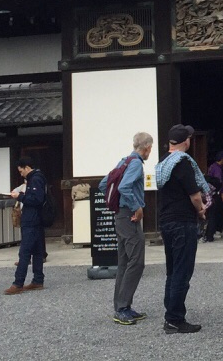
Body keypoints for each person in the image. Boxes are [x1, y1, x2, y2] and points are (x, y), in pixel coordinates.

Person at [157, 124, 207, 334]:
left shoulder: (163, 163)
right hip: (182, 220)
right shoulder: (183, 162)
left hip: (167, 221)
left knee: (172, 268)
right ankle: (175, 318)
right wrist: (202, 210)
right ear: (186, 141)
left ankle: (171, 309)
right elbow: (194, 195)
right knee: (182, 270)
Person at [99, 132, 152, 325]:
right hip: (129, 216)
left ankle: (123, 306)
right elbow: (125, 188)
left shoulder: (124, 161)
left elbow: (103, 184)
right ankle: (122, 307)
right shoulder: (136, 163)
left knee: (124, 261)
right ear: (146, 147)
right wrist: (136, 206)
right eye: (150, 148)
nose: (150, 152)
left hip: (119, 215)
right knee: (137, 261)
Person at [5, 156, 47, 294]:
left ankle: (18, 283)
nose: (21, 173)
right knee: (37, 251)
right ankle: (38, 280)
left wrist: (20, 196)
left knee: (24, 252)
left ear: (27, 167)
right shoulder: (37, 178)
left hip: (31, 220)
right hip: (37, 219)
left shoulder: (35, 179)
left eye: (21, 171)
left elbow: (36, 199)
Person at [205, 151, 223, 243]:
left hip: (210, 193)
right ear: (222, 159)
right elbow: (218, 182)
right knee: (216, 213)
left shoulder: (212, 166)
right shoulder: (217, 169)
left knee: (214, 213)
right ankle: (213, 233)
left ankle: (213, 232)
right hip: (216, 194)